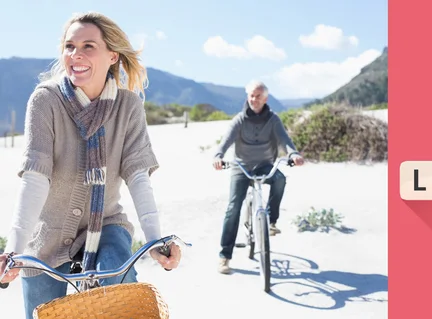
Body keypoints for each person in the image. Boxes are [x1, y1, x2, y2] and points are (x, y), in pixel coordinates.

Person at [0, 12, 182, 318]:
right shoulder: (46, 101)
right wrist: (13, 250)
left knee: (118, 285)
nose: (76, 55)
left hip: (107, 223)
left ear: (112, 55)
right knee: (41, 313)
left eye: (88, 46)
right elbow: (35, 178)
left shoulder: (129, 106)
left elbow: (138, 176)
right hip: (48, 234)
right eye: (70, 46)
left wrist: (155, 239)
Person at [212, 80, 304, 274]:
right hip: (241, 167)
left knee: (280, 179)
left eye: (258, 96)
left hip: (264, 165)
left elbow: (285, 140)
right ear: (248, 96)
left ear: (265, 98)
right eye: (252, 95)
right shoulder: (239, 119)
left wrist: (293, 154)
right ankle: (224, 257)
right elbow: (226, 141)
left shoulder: (273, 119)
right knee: (233, 208)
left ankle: (271, 221)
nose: (254, 99)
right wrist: (218, 155)